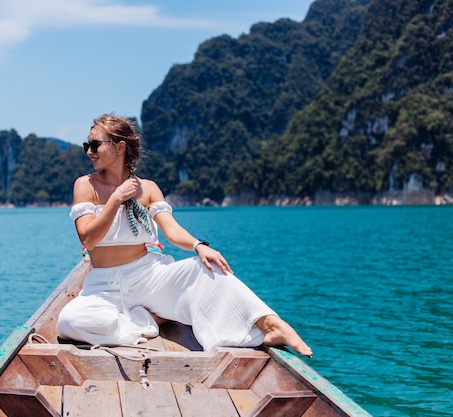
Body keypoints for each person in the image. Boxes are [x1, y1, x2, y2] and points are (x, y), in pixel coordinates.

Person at [56, 113, 313, 357]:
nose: (89, 151)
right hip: (103, 287)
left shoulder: (148, 189)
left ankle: (271, 324)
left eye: (95, 145)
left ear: (119, 147)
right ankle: (149, 318)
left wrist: (198, 245)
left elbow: (172, 230)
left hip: (147, 276)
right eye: (86, 146)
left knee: (209, 268)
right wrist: (116, 199)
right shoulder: (85, 185)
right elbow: (88, 239)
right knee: (70, 322)